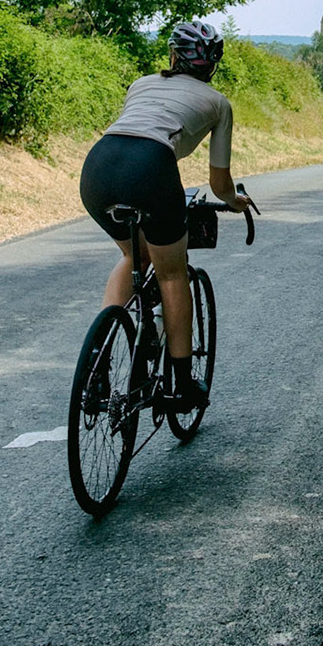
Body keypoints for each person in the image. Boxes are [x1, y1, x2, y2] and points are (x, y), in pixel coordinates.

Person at [78, 21, 250, 412]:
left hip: (99, 166)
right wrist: (234, 201)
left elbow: (136, 129)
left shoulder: (141, 83)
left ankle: (97, 365)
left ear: (173, 56)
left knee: (133, 256)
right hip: (151, 168)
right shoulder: (218, 104)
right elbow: (219, 181)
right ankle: (181, 383)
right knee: (172, 272)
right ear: (212, 66)